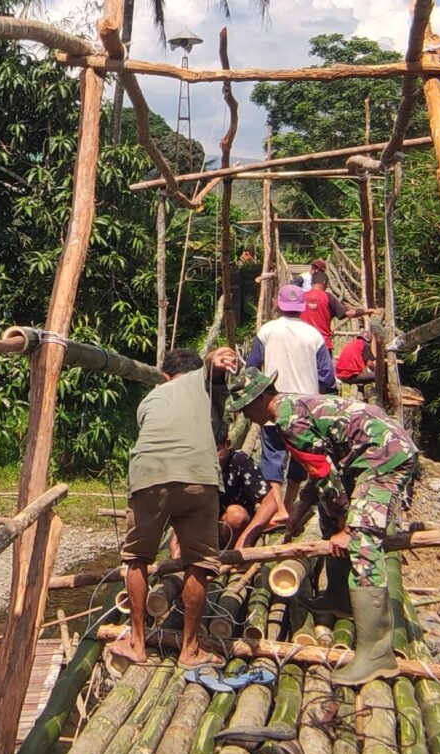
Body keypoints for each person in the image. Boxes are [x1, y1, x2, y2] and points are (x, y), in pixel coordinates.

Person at [226, 368, 419, 685]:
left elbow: (325, 475)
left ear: (262, 397)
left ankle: (378, 654)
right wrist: (302, 507)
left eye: (246, 405)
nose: (247, 413)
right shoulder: (291, 409)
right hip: (366, 452)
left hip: (384, 455)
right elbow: (320, 463)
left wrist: (347, 526)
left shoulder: (289, 421)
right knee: (329, 517)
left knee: (361, 542)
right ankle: (340, 596)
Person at [110, 345, 238, 668]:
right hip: (197, 477)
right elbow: (212, 370)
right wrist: (217, 358)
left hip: (148, 477)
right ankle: (190, 648)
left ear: (165, 376)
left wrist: (214, 363)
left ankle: (138, 642)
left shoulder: (149, 399)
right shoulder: (202, 380)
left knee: (137, 557)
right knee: (199, 563)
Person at [303, 261, 336, 346]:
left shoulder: (302, 296)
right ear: (324, 282)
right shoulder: (327, 297)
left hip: (305, 342)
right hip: (323, 342)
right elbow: (348, 313)